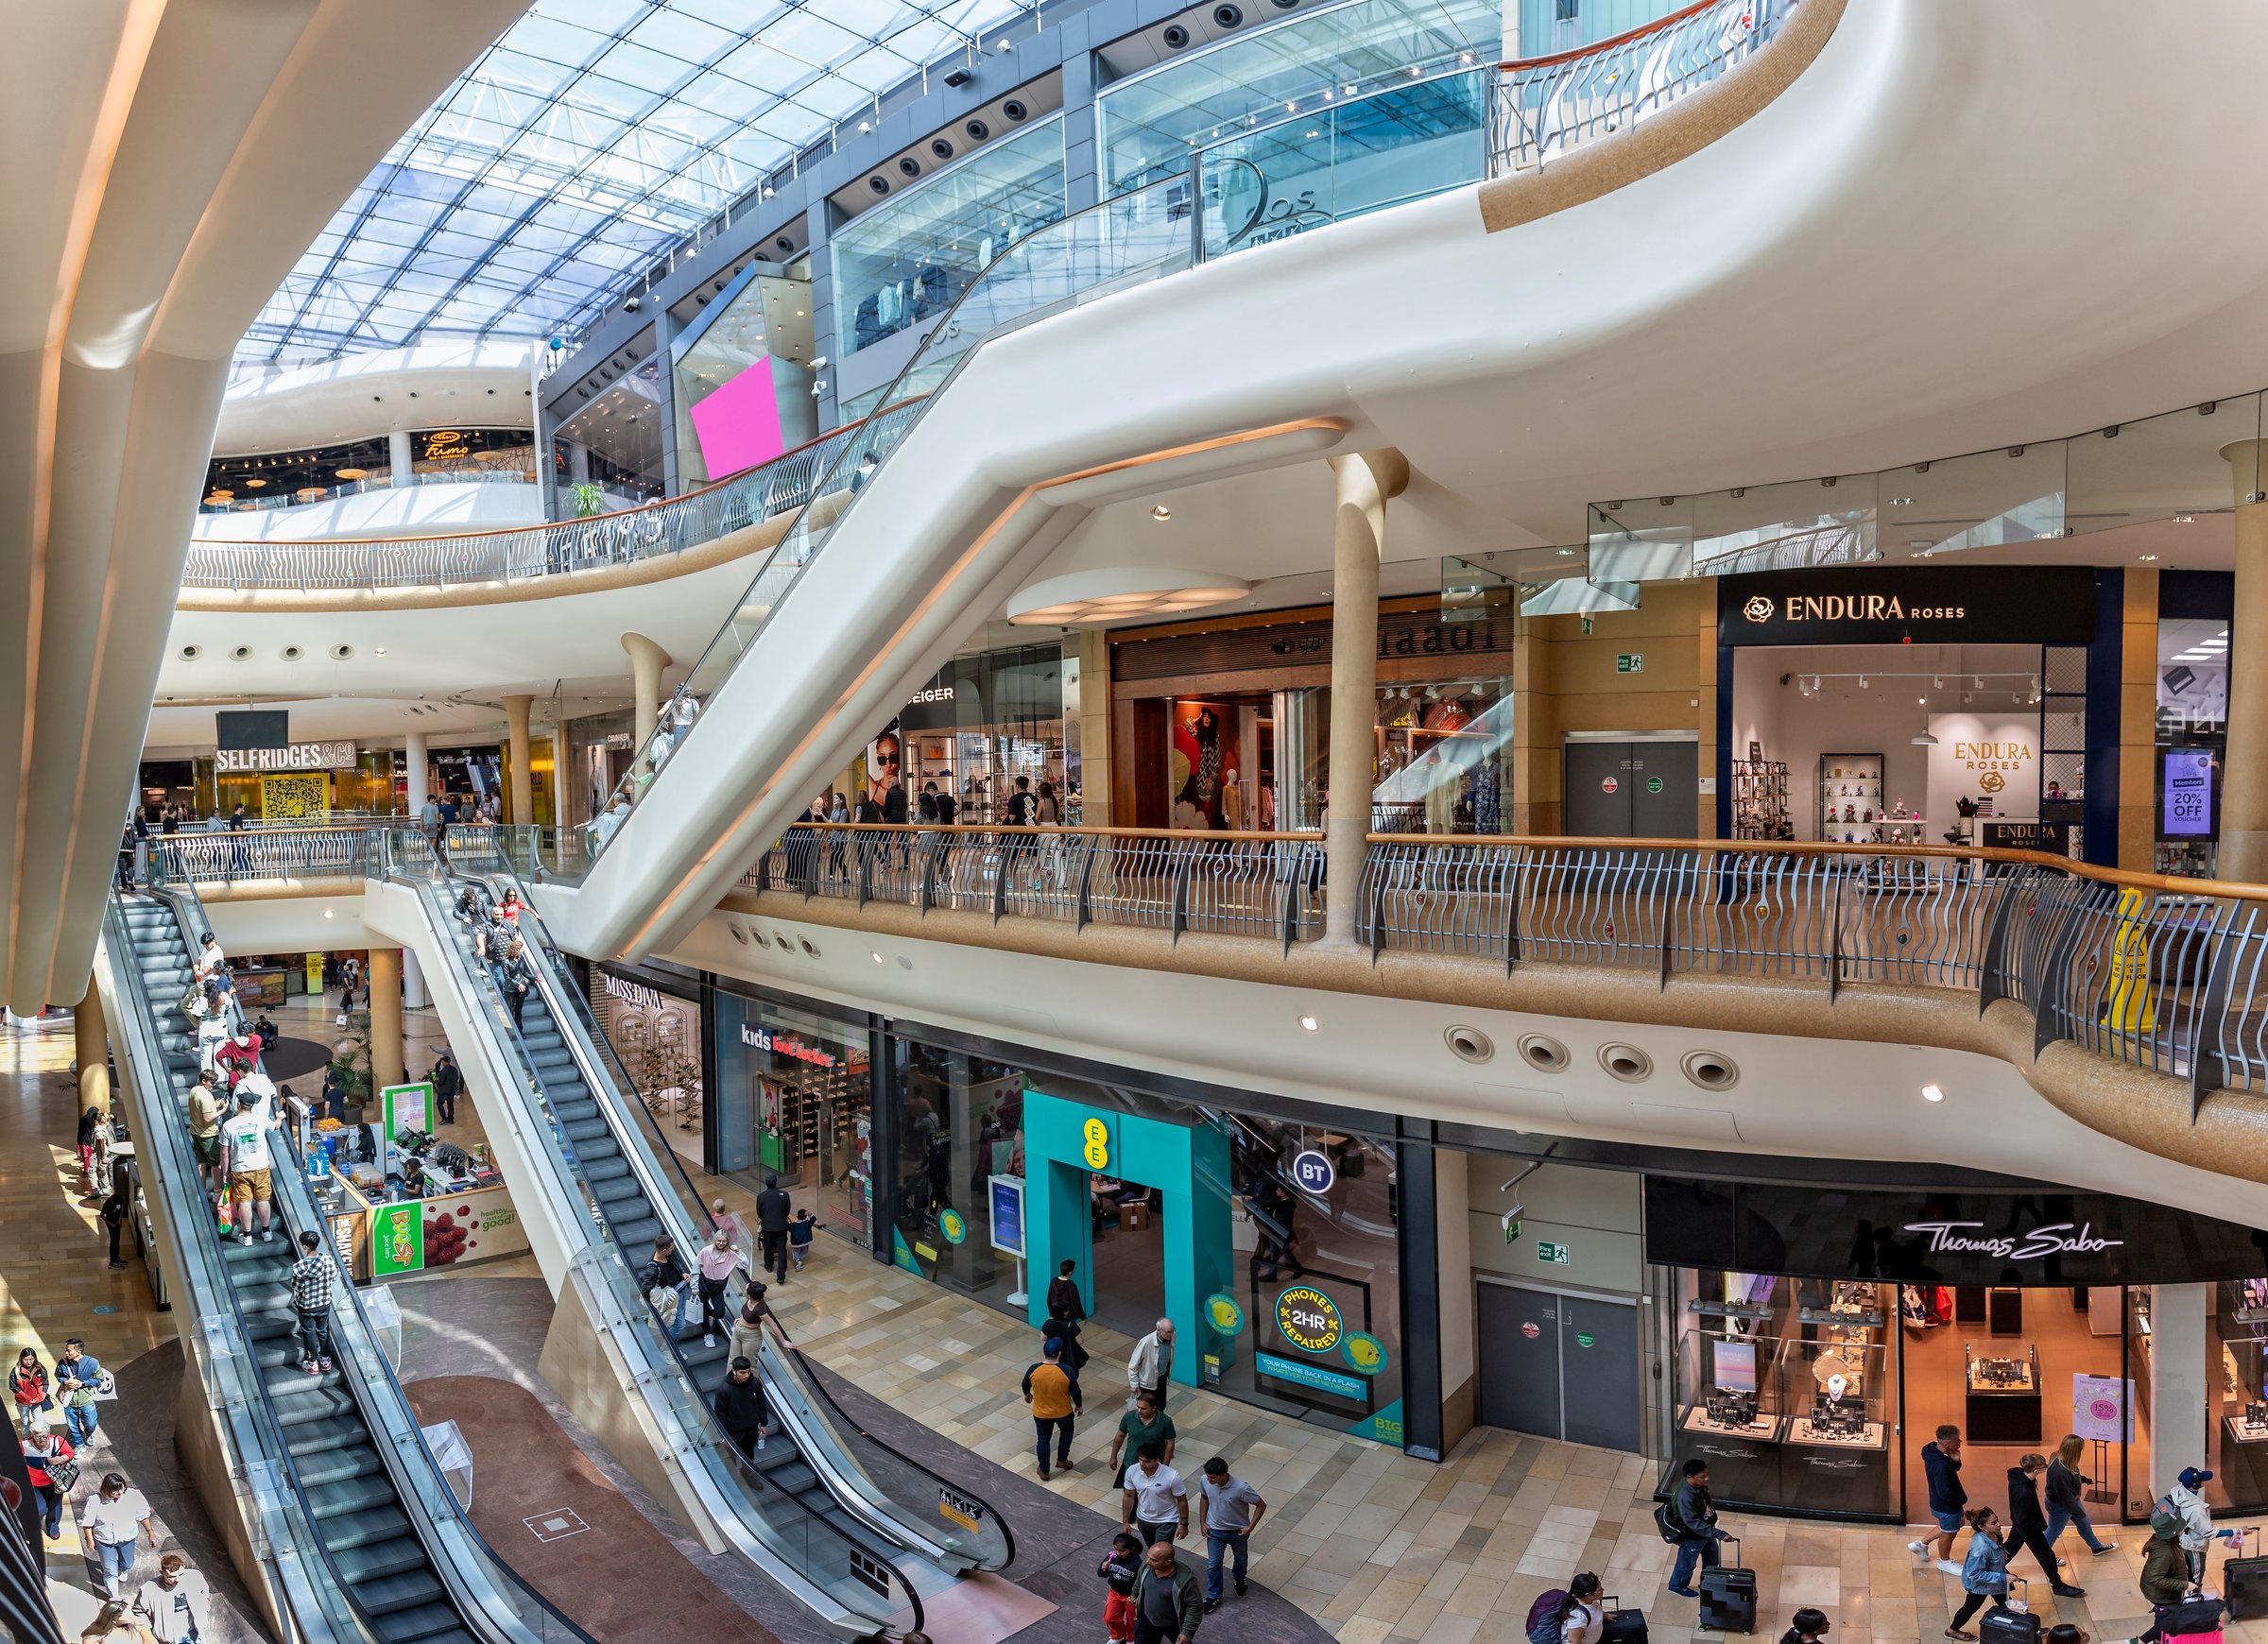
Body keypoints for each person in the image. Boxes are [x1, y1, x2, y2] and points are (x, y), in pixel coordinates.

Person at [2007, 1452, 2084, 1596]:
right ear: (2036, 1470)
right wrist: (2038, 1527)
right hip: (2028, 1527)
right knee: (2047, 1556)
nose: (2046, 1468)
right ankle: (2057, 1585)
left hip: (2019, 1523)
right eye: (2043, 1466)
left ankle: (1990, 1567)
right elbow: (2024, 1516)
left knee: (2010, 1548)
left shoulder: (2017, 1478)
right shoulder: (2023, 1491)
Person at [1195, 1455, 1266, 1611]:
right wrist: (1203, 1523)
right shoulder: (1205, 1480)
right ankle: (1214, 1596)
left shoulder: (1241, 1488)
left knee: (1241, 1559)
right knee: (1213, 1563)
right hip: (1214, 1531)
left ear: (1223, 1475)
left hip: (1237, 1532)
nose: (1209, 1480)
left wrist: (1250, 1527)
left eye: (1212, 1478)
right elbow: (1204, 1497)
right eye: (1207, 1476)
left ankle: (1239, 1577)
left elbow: (1261, 1505)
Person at [80, 1472, 155, 1600]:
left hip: (127, 1538)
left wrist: (150, 1532)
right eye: (115, 1491)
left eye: (122, 1489)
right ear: (106, 1490)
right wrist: (90, 1540)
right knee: (110, 1571)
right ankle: (114, 1596)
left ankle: (120, 1569)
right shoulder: (95, 1500)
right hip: (104, 1541)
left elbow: (143, 1515)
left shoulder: (133, 1496)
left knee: (128, 1564)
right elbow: (87, 1523)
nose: (120, 1493)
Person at [1946, 1506, 2013, 1641]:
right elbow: (1974, 1574)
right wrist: (2003, 1577)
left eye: (1997, 1520)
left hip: (1995, 1580)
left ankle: (2021, 1627)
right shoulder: (1980, 1549)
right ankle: (1952, 1631)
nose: (1999, 1525)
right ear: (1982, 1527)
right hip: (1979, 1585)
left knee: (2007, 1603)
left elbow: (1999, 1543)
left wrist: (2003, 1552)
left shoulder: (1994, 1534)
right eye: (1993, 1523)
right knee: (1969, 1608)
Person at [1664, 1457, 1728, 1599]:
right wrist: (1720, 1534)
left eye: (1707, 1474)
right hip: (1692, 1535)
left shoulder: (1697, 1487)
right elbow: (1693, 1523)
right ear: (1689, 1477)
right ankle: (1677, 1585)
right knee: (1687, 1562)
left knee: (1712, 1556)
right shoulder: (1685, 1496)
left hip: (1704, 1531)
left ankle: (1709, 1580)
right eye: (1702, 1477)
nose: (1707, 1479)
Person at [2046, 1433, 2117, 1557]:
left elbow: (2073, 1475)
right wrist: (2078, 1512)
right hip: (2061, 1506)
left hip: (2069, 1502)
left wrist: (2084, 1480)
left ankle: (2096, 1547)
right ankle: (2044, 1555)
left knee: (2084, 1522)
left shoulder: (2060, 1457)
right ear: (2074, 1451)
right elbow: (2065, 1497)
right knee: (2054, 1531)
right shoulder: (2060, 1472)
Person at [1022, 1335, 1082, 1480]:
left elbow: (1024, 1384)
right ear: (1060, 1353)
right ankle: (1062, 1459)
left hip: (1041, 1414)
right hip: (1063, 1413)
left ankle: (1044, 1470)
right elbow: (1076, 1391)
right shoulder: (1066, 1370)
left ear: (1044, 1352)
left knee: (1043, 1440)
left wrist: (1027, 1395)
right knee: (1067, 1432)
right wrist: (1079, 1405)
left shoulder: (1034, 1369)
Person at [220, 1089, 275, 1246]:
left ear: (238, 1104)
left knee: (244, 1202)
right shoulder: (261, 1120)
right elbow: (275, 1126)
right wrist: (279, 1118)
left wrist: (225, 1173)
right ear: (252, 1106)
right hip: (261, 1167)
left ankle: (247, 1236)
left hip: (240, 1169)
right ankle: (266, 1232)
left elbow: (224, 1153)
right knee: (263, 1199)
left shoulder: (228, 1125)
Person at [2136, 1514, 2200, 1643]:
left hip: (2162, 1593)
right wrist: (2185, 1585)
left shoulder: (2167, 1542)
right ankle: (2139, 1641)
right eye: (2179, 1527)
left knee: (2163, 1617)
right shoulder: (2164, 1553)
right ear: (2172, 1533)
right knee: (2171, 1620)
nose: (2183, 1528)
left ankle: (2159, 1640)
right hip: (2162, 1595)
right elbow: (2155, 1579)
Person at [1912, 1423, 1967, 1569]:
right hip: (1947, 1507)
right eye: (1958, 1440)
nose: (1961, 1442)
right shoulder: (1940, 1465)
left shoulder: (1935, 1453)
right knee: (1949, 1533)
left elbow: (1952, 1470)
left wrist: (1955, 1461)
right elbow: (1945, 1492)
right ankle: (1945, 1562)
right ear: (1948, 1443)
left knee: (1954, 1525)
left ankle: (1921, 1545)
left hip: (1938, 1503)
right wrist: (1961, 1500)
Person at [1129, 1537, 1204, 1644]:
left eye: (1154, 1560)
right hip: (1147, 1619)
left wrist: (1187, 1632)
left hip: (1173, 1624)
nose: (1148, 1561)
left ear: (1168, 1562)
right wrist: (1134, 1593)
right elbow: (1139, 1581)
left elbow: (1195, 1607)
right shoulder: (1146, 1566)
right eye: (1148, 1557)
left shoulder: (1185, 1581)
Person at [1121, 1441, 1188, 1548]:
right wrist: (1125, 1522)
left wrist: (1184, 1524)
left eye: (1146, 1461)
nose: (1142, 1464)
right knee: (1152, 1551)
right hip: (1143, 1519)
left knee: (1160, 1552)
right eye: (1140, 1459)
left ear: (1157, 1460)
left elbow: (1182, 1500)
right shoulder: (1132, 1471)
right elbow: (1128, 1496)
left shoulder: (1172, 1476)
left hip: (1166, 1520)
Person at [289, 1229, 335, 1375]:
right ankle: (326, 1359)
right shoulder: (327, 1259)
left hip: (307, 1306)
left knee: (309, 1333)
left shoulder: (299, 1267)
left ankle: (312, 1362)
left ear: (305, 1247)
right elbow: (333, 1276)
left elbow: (296, 1286)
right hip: (324, 1302)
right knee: (323, 1330)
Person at [132, 1553, 206, 1644]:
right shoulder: (149, 1589)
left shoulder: (195, 1577)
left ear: (183, 1567)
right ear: (162, 1573)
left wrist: (204, 1608)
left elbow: (204, 1591)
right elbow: (138, 1611)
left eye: (181, 1574)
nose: (177, 1579)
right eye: (172, 1577)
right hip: (168, 1639)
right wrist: (148, 1630)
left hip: (193, 1634)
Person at [23, 1422, 75, 1539]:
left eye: (44, 1436)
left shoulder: (57, 1441)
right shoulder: (24, 1445)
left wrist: (61, 1459)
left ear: (49, 1433)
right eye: (38, 1436)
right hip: (34, 1484)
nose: (41, 1440)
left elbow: (70, 1453)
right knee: (40, 1508)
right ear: (32, 1435)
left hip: (55, 1482)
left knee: (55, 1507)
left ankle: (53, 1528)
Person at [2166, 1465, 2217, 1582]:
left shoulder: (2178, 1493)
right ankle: (2194, 1595)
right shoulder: (2196, 1509)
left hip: (2179, 1540)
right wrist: (2236, 1532)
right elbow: (2209, 1532)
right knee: (2196, 1572)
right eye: (2202, 1479)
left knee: (2183, 1569)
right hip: (2193, 1545)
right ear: (2195, 1485)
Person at [713, 1357, 771, 1458]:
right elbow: (720, 1413)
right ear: (734, 1371)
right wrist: (724, 1435)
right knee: (733, 1456)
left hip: (752, 1428)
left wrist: (764, 1424)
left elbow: (761, 1403)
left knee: (749, 1453)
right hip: (734, 1431)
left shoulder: (755, 1383)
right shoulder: (724, 1389)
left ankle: (750, 1473)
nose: (746, 1375)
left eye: (748, 1372)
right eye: (742, 1373)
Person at [639, 1235, 694, 1341]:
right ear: (664, 1250)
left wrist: (682, 1273)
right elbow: (646, 1290)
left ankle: (671, 1344)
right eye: (671, 1247)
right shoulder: (653, 1269)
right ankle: (668, 1348)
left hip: (680, 1291)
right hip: (671, 1298)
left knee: (675, 1321)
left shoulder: (668, 1255)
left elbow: (676, 1263)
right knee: (679, 1324)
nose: (673, 1249)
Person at [1110, 1388, 1176, 1473]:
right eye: (1138, 1407)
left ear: (1153, 1408)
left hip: (1154, 1465)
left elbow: (1170, 1443)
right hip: (1132, 1462)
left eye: (1144, 1408)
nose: (1139, 1410)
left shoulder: (1165, 1421)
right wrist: (1113, 1456)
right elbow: (1120, 1436)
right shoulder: (1129, 1417)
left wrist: (1165, 1465)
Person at [56, 1339, 105, 1450]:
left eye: (69, 1351)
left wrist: (83, 1383)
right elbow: (58, 1375)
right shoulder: (63, 1362)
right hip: (69, 1400)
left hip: (86, 1399)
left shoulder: (93, 1363)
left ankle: (89, 1433)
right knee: (72, 1426)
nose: (66, 1353)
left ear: (78, 1352)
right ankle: (79, 1444)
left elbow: (98, 1379)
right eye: (66, 1350)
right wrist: (65, 1381)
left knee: (91, 1423)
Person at [696, 1227, 740, 1347]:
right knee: (703, 1309)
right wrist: (694, 1288)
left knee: (720, 1313)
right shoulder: (705, 1251)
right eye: (719, 1241)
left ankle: (705, 1315)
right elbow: (695, 1269)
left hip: (718, 1287)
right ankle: (707, 1334)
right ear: (715, 1240)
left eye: (724, 1241)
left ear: (727, 1242)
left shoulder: (731, 1255)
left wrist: (738, 1252)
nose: (721, 1243)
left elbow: (743, 1263)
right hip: (703, 1285)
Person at [1099, 1531, 1143, 1644]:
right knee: (1110, 1618)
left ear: (1132, 1549)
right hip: (1114, 1593)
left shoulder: (1138, 1564)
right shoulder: (1111, 1557)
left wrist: (1134, 1595)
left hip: (1131, 1597)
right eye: (1116, 1549)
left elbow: (1140, 1582)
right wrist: (1104, 1568)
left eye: (1122, 1551)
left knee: (1132, 1621)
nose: (1118, 1553)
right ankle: (1118, 1635)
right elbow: (1101, 1574)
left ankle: (1132, 1639)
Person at [1129, 1318, 1174, 1413]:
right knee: (1154, 1408)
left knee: (1162, 1403)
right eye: (1168, 1332)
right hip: (1147, 1382)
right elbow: (1133, 1365)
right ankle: (1156, 1424)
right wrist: (1134, 1384)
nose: (1171, 1334)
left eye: (1172, 1331)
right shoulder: (1146, 1342)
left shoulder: (1172, 1337)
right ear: (1158, 1330)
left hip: (1161, 1378)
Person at [755, 1173, 792, 1283]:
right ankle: (781, 1275)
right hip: (781, 1226)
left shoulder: (761, 1196)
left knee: (768, 1247)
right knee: (782, 1249)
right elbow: (787, 1210)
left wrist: (766, 1219)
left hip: (767, 1227)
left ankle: (769, 1265)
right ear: (776, 1182)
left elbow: (759, 1212)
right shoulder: (784, 1194)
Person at [11, 1348, 50, 1436]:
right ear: (21, 1359)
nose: (28, 1362)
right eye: (26, 1359)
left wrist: (38, 1398)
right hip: (22, 1402)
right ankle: (26, 1438)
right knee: (24, 1422)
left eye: (31, 1359)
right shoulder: (16, 1371)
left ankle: (40, 1438)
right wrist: (27, 1398)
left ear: (34, 1358)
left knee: (39, 1422)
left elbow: (44, 1384)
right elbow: (13, 1387)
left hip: (36, 1402)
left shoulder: (41, 1369)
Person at [99, 1175, 130, 1270]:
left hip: (116, 1223)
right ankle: (112, 1261)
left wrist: (119, 1219)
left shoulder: (119, 1200)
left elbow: (122, 1207)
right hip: (110, 1224)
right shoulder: (108, 1204)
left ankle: (116, 1257)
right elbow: (102, 1216)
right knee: (114, 1241)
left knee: (117, 1240)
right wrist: (111, 1223)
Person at [426, 1051, 462, 1126]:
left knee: (439, 1104)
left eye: (442, 1061)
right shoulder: (454, 1069)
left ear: (444, 1062)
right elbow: (457, 1078)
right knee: (450, 1105)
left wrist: (435, 1081)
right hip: (452, 1091)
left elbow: (441, 1082)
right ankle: (451, 1119)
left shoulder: (444, 1071)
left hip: (443, 1091)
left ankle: (444, 1118)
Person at [1046, 1259, 1085, 1323]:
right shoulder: (1072, 1287)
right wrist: (1082, 1317)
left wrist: (1051, 1313)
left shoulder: (1053, 1281)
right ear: (1070, 1272)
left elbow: (1048, 1299)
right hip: (1068, 1317)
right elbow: (1076, 1304)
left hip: (1055, 1314)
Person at [76, 1105, 104, 1193]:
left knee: (85, 1157)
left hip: (81, 1139)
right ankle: (86, 1171)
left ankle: (85, 1170)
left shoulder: (82, 1118)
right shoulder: (91, 1120)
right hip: (87, 1141)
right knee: (88, 1156)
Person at [788, 1207, 816, 1271]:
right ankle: (800, 1261)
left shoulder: (792, 1225)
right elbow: (814, 1218)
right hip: (806, 1242)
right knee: (804, 1252)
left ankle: (798, 1261)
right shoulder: (807, 1223)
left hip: (796, 1243)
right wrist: (809, 1214)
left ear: (797, 1216)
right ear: (805, 1217)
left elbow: (788, 1227)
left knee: (795, 1252)